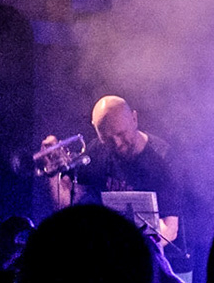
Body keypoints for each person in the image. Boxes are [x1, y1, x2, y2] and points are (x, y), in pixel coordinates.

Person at [47, 94, 185, 253]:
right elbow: (64, 205)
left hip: (164, 258)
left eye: (121, 133)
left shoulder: (165, 159)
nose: (117, 143)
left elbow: (169, 229)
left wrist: (126, 252)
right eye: (107, 138)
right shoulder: (97, 150)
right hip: (119, 254)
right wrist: (52, 174)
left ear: (134, 119)